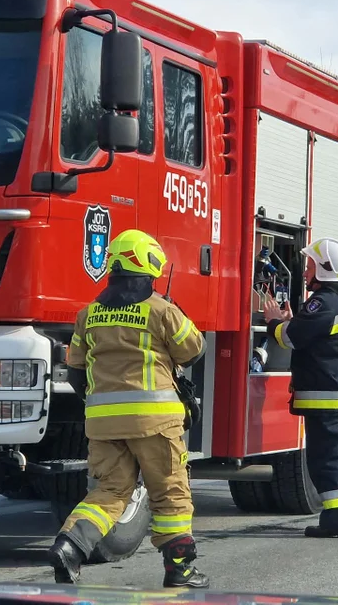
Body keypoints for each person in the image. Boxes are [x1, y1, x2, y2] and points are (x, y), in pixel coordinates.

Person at [48, 229, 209, 589]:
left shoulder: (87, 315)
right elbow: (194, 350)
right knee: (170, 491)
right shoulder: (161, 311)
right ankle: (180, 569)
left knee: (109, 491)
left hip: (104, 425)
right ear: (149, 267)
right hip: (156, 423)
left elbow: (76, 372)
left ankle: (70, 546)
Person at [262, 237, 338, 538]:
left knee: (326, 459)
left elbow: (291, 338)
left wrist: (273, 322)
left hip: (327, 398)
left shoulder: (322, 303)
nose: (305, 272)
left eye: (309, 266)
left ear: (323, 270)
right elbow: (316, 333)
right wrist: (298, 321)